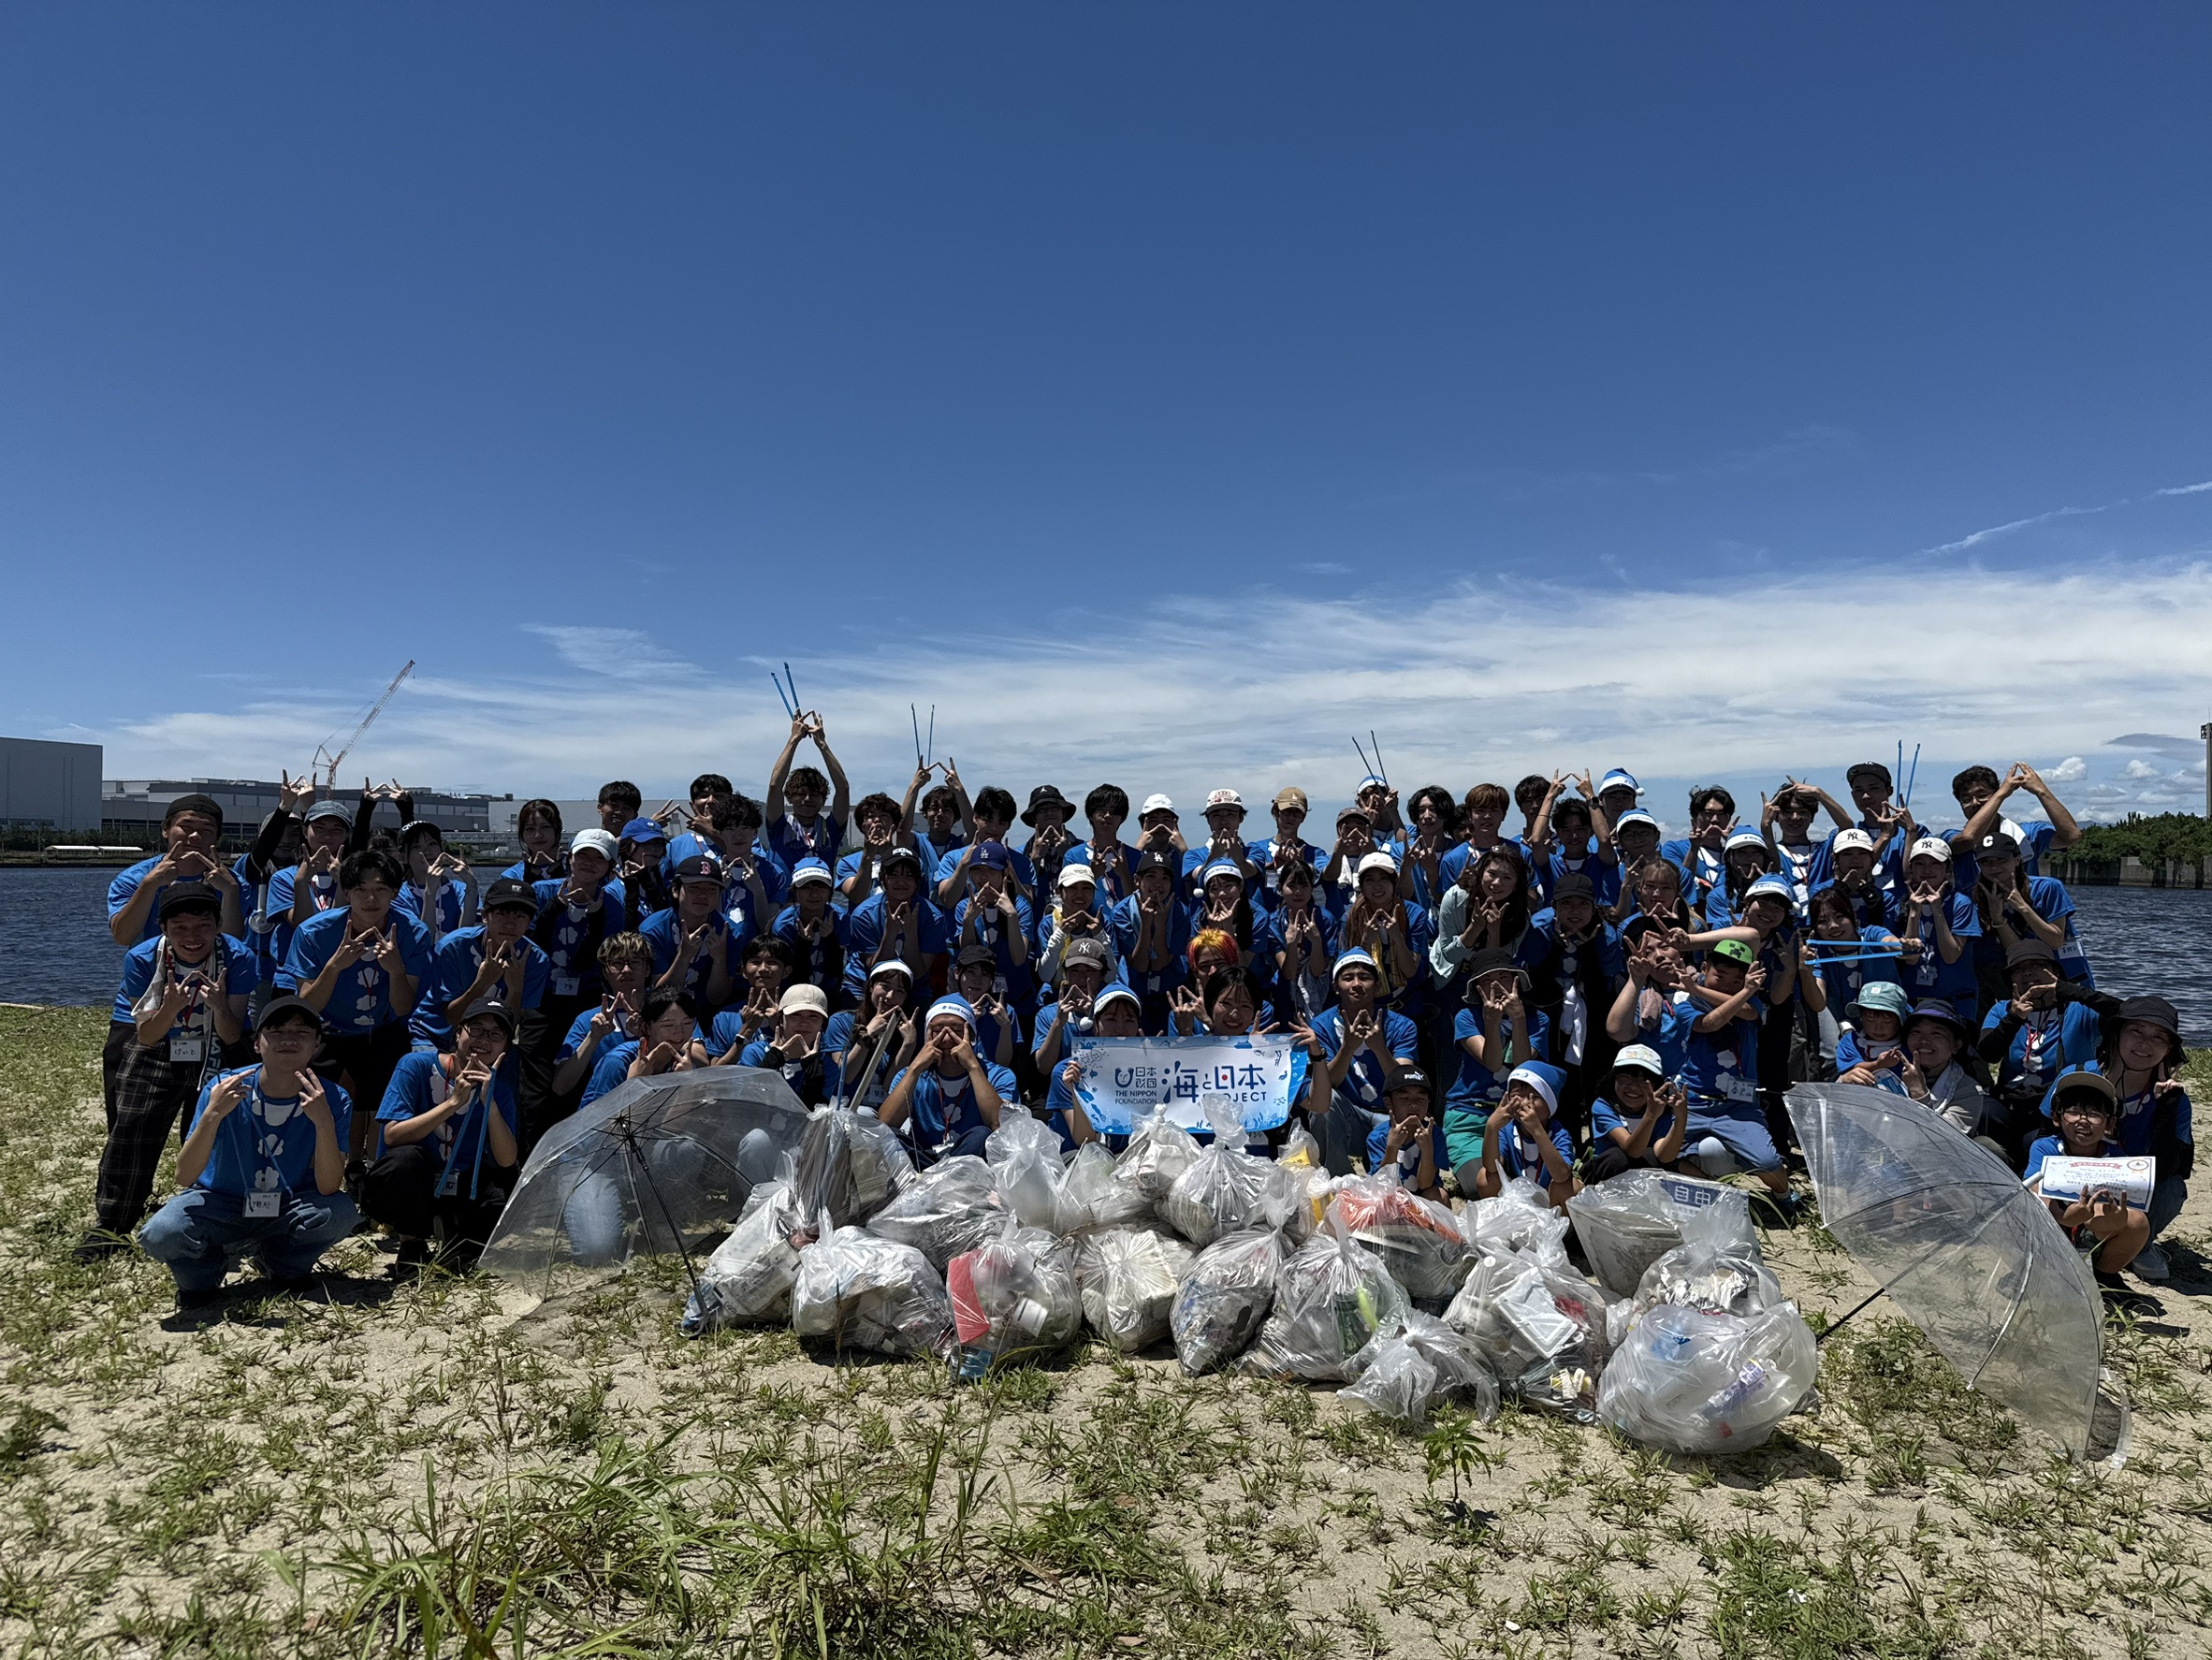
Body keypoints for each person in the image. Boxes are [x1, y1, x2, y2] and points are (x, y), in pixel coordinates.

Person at [138, 997, 358, 1311]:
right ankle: (205, 1272)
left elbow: (327, 1187)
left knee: (341, 1212)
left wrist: (323, 1122)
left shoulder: (332, 1097)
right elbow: (184, 1176)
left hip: (286, 1203)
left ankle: (280, 1264)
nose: (289, 1039)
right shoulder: (223, 1087)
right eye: (277, 1031)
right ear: (258, 1044)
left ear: (316, 1045)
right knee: (161, 1232)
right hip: (222, 1202)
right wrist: (213, 1115)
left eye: (301, 1032)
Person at [77, 881, 258, 1260]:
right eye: (180, 928)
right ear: (164, 929)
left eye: (203, 926)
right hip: (160, 1045)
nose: (192, 937)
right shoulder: (143, 959)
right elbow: (145, 1035)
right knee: (133, 1129)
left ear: (218, 924)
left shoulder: (238, 957)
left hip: (219, 1049)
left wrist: (221, 1005)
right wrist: (171, 1008)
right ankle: (112, 1224)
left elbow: (231, 1032)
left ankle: (215, 1216)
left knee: (221, 1131)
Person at [276, 847, 435, 1184]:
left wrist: (395, 970)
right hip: (330, 1030)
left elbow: (404, 1007)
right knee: (330, 1106)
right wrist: (335, 966)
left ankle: (376, 1177)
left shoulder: (413, 932)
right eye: (361, 889)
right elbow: (307, 1005)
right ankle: (333, 1173)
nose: (371, 899)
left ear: (395, 891)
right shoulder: (315, 932)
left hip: (384, 1028)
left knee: (383, 1106)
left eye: (381, 889)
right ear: (346, 891)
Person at [366, 999, 522, 1268]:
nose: (484, 1040)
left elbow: (507, 1160)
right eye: (476, 1029)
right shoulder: (415, 1066)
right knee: (404, 1161)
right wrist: (451, 1105)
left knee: (499, 1203)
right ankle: (411, 1241)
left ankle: (450, 1231)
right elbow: (392, 1135)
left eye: (496, 1034)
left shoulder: (502, 1091)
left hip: (462, 1183)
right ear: (458, 1032)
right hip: (416, 1179)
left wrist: (490, 1106)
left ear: (504, 1048)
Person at [1673, 939, 1799, 1216]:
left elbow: (1747, 1011)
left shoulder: (1751, 1000)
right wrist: (1698, 990)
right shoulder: (1684, 999)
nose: (1728, 984)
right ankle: (1716, 1192)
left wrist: (1742, 992)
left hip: (1737, 1105)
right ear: (1705, 968)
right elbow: (1709, 1024)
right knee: (1665, 1155)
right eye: (1720, 975)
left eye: (1737, 980)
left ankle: (1785, 1195)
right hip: (1692, 1101)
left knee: (1767, 1160)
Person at [517, 828, 627, 1144]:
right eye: (583, 856)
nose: (589, 863)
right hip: (541, 1000)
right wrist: (555, 908)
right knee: (535, 1082)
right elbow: (529, 945)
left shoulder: (612, 906)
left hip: (583, 1001)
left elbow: (594, 961)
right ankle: (529, 1152)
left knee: (574, 1077)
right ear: (569, 859)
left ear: (609, 868)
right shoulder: (541, 892)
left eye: (599, 859)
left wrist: (594, 919)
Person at [1513, 871, 1623, 1131]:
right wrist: (1557, 946)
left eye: (1583, 904)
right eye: (1567, 904)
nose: (1575, 911)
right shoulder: (1540, 928)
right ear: (1554, 906)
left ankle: (1599, 1132)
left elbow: (1606, 981)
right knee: (1558, 1070)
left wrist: (1589, 947)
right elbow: (1534, 977)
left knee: (1595, 1070)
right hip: (1550, 1007)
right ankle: (1563, 1130)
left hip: (1592, 1006)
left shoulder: (1606, 934)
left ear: (1593, 906)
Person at [1978, 939, 2113, 1147]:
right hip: (2013, 1099)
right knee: (1987, 1114)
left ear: (2055, 972)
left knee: (2032, 1141)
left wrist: (2072, 991)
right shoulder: (2002, 1010)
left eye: (2036, 965)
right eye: (2019, 969)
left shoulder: (2079, 1010)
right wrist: (2013, 1019)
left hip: (2059, 1102)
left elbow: (2127, 1014)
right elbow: (1988, 1053)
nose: (2028, 973)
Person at [2025, 1069, 2150, 1285]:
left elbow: (2124, 1206)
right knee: (2027, 1206)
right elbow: (2034, 1191)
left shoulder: (2117, 1160)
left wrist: (2115, 1219)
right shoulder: (2045, 1148)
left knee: (2137, 1222)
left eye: (2094, 1114)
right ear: (2056, 1117)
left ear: (2109, 1124)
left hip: (2094, 1228)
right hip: (2050, 1226)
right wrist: (2064, 1216)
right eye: (2073, 1112)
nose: (2083, 1121)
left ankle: (2105, 1275)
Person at [2099, 996, 2191, 1282]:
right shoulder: (2079, 1078)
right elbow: (2047, 1142)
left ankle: (2141, 1243)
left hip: (2140, 1188)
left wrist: (2165, 1108)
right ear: (2117, 1034)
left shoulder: (2177, 1101)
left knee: (2173, 1188)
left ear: (2169, 1050)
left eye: (2158, 1037)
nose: (2145, 1044)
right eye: (2136, 1031)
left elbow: (2170, 1168)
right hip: (2085, 1183)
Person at [1304, 950, 1419, 1175]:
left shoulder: (1402, 1025)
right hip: (1350, 1116)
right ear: (1336, 987)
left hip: (1390, 1116)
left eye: (1364, 978)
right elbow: (1328, 1084)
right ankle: (1338, 1181)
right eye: (1348, 978)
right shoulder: (1321, 1026)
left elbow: (1405, 1083)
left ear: (1377, 986)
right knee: (1323, 1102)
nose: (1357, 984)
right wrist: (1347, 1048)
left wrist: (1378, 1047)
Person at [1441, 948, 1550, 1180]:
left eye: (1504, 977)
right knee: (1480, 1182)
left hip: (1519, 1117)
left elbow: (1523, 1069)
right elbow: (1492, 1062)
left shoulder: (1538, 1020)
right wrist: (1492, 1022)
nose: (1496, 986)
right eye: (1487, 980)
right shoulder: (1467, 1017)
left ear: (1516, 982)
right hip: (1470, 1116)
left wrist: (1518, 1018)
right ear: (1477, 988)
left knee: (1535, 1178)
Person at [1840, 1001, 2001, 1153]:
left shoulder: (1967, 1091)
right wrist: (1845, 1084)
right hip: (1880, 1158)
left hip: (1940, 1168)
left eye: (1936, 1033)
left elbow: (1940, 1143)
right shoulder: (1887, 1071)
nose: (1924, 1041)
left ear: (1956, 1045)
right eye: (1916, 1032)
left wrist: (1918, 1092)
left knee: (1986, 1145)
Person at [411, 877, 549, 1051]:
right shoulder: (453, 947)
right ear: (484, 916)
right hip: (436, 1033)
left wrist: (516, 989)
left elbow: (510, 1025)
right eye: (502, 914)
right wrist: (483, 983)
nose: (510, 924)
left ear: (530, 922)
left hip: (488, 1040)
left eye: (520, 916)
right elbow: (452, 1017)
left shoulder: (536, 959)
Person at [878, 997, 1013, 1165]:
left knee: (981, 1135)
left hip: (969, 1164)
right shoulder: (909, 1075)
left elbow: (999, 1125)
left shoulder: (998, 1075)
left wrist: (973, 1067)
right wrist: (915, 1068)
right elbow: (885, 1123)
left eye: (956, 1030)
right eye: (937, 1030)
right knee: (889, 1137)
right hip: (924, 1160)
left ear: (971, 1035)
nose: (947, 1038)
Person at [108, 792, 241, 946]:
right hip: (151, 968)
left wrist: (230, 891)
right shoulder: (133, 879)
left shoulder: (232, 883)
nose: (195, 835)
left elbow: (233, 946)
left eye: (206, 830)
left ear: (217, 838)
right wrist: (149, 885)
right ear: (166, 829)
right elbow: (123, 938)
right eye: (186, 827)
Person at [844, 846, 950, 1007]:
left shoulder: (933, 917)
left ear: (918, 881)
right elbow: (876, 969)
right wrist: (890, 933)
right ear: (882, 879)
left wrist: (910, 935)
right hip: (865, 984)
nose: (901, 882)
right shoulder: (863, 914)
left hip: (913, 987)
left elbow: (919, 971)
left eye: (909, 876)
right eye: (893, 876)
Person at [552, 932, 655, 1098]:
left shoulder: (667, 1009)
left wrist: (648, 1032)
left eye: (635, 962)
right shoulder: (588, 1020)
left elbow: (700, 1061)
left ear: (648, 969)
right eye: (617, 963)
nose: (626, 970)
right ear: (606, 972)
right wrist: (593, 1037)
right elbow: (560, 1086)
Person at [1470, 1061, 1579, 1206]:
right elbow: (1491, 1167)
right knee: (1485, 1177)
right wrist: (1492, 1127)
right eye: (1517, 1096)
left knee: (1571, 1186)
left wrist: (1536, 1130)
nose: (1525, 1103)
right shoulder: (1507, 1129)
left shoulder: (1559, 1134)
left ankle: (1564, 1227)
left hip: (1550, 1200)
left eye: (1534, 1097)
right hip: (1516, 1200)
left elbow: (1561, 1175)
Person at [641, 855, 740, 1012]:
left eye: (711, 889)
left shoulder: (731, 932)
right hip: (664, 1014)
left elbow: (717, 998)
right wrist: (684, 956)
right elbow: (659, 997)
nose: (703, 895)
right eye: (694, 887)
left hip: (709, 1013)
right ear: (675, 890)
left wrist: (720, 959)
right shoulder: (653, 930)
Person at [1896, 837, 1980, 1022]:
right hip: (1914, 1001)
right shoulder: (1902, 904)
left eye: (1935, 863)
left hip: (1955, 1003)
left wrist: (1937, 911)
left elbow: (1951, 955)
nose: (1927, 870)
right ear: (1911, 869)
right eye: (1920, 864)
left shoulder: (1961, 903)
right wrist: (1914, 914)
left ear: (1948, 869)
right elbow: (1910, 958)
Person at [949, 843, 1036, 1015]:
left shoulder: (1020, 906)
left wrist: (1011, 917)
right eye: (977, 870)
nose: (983, 876)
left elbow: (1019, 958)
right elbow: (967, 955)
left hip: (1017, 997)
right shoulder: (964, 907)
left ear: (1005, 874)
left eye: (991, 871)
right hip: (979, 999)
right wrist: (968, 921)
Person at [1955, 763, 2082, 879]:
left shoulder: (2026, 835)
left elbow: (2071, 836)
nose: (1975, 803)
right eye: (1966, 800)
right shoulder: (1952, 838)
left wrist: (2041, 791)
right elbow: (1968, 839)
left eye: (1982, 796)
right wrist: (2001, 794)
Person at [1111, 850, 1191, 1033]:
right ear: (1137, 880)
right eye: (1151, 876)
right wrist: (1146, 926)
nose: (1157, 883)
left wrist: (1160, 925)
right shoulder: (1122, 911)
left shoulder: (1180, 912)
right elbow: (1139, 964)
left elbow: (1160, 963)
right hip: (1133, 990)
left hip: (1170, 990)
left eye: (1165, 878)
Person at [581, 989, 704, 1108]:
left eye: (687, 1023)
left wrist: (687, 1082)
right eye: (668, 1025)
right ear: (646, 1027)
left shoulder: (683, 1064)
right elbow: (599, 1118)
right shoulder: (618, 1061)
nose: (679, 1032)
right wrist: (634, 1084)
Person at [1584, 1045, 1689, 1183]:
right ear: (1613, 1078)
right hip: (1609, 1174)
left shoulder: (1661, 1109)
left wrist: (1680, 1119)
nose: (1633, 1087)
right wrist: (1651, 1115)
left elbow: (1665, 1155)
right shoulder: (1603, 1106)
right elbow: (1632, 1150)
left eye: (1643, 1081)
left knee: (1672, 1164)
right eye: (1626, 1077)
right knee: (1617, 1157)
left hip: (1645, 1179)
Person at [764, 711, 851, 868]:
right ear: (789, 797)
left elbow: (843, 790)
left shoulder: (831, 830)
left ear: (824, 800)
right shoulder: (779, 827)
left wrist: (822, 744)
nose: (807, 798)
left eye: (815, 794)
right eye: (801, 793)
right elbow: (775, 786)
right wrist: (793, 739)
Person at [1251, 857, 1335, 1021]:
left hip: (1321, 997)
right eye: (1291, 885)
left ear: (1312, 888)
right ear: (1280, 889)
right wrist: (1291, 944)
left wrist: (1316, 941)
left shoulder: (1325, 920)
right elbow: (1288, 972)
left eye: (1304, 885)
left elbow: (1318, 971)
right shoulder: (1273, 923)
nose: (1298, 892)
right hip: (1284, 997)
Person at [837, 960, 924, 1113]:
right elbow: (846, 1076)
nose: (890, 996)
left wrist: (908, 1045)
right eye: (885, 986)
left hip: (879, 1113)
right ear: (871, 986)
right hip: (844, 1109)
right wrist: (867, 1035)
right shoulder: (842, 1021)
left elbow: (890, 1086)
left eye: (899, 991)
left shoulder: (905, 1031)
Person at [738, 984, 844, 1106]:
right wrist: (766, 1069)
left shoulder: (827, 1067)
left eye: (813, 1016)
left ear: (822, 1024)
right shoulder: (755, 1053)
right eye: (796, 1014)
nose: (804, 1022)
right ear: (780, 1018)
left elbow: (816, 1117)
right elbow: (744, 1104)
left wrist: (814, 1083)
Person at [773, 858, 851, 1006]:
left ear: (829, 891)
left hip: (828, 990)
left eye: (821, 887)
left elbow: (836, 971)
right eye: (806, 887)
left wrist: (831, 940)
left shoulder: (840, 918)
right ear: (796, 892)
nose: (814, 894)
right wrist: (803, 943)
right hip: (792, 992)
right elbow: (788, 975)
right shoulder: (784, 926)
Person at [392, 819, 479, 951]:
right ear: (403, 856)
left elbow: (464, 939)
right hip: (419, 969)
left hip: (453, 965)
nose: (427, 851)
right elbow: (422, 942)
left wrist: (472, 885)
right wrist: (430, 893)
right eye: (417, 846)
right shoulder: (398, 895)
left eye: (432, 844)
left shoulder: (460, 889)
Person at [1368, 1067, 1447, 1199]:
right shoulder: (1377, 1137)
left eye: (1420, 1099)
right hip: (1391, 1196)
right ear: (1389, 1103)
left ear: (1428, 1102)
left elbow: (1425, 1184)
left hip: (1421, 1197)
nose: (1414, 1105)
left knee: (1440, 1196)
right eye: (1404, 1098)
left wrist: (1427, 1149)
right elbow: (1382, 1183)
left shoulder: (1434, 1134)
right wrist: (1392, 1147)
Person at [1660, 786, 1737, 914]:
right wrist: (1694, 848)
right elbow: (1678, 885)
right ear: (1694, 817)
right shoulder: (1674, 849)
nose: (1715, 820)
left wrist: (1733, 844)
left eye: (1721, 815)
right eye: (1708, 814)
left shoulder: (1737, 854)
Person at [1249, 786, 1323, 913]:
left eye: (1297, 813)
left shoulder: (1315, 853)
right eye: (1287, 812)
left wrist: (1300, 868)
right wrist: (1273, 868)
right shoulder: (1256, 848)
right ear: (1275, 813)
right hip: (1263, 919)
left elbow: (1326, 875)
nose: (1291, 817)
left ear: (1303, 818)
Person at [1065, 783, 1137, 904]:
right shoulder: (1073, 856)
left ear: (1122, 818)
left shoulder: (1136, 857)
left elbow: (1138, 905)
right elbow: (1070, 902)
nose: (1108, 816)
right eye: (1102, 811)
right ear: (1091, 815)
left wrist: (1125, 875)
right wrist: (1091, 875)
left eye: (1114, 812)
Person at [1180, 788, 1259, 897]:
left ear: (1241, 817)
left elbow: (1248, 872)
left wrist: (1239, 858)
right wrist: (1213, 857)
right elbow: (1200, 877)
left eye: (1230, 814)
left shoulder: (1254, 851)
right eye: (1216, 815)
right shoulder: (1193, 855)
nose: (1223, 820)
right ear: (1208, 820)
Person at [1832, 981, 1911, 1076]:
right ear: (1861, 1018)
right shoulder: (1851, 1041)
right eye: (1870, 1020)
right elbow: (1851, 1069)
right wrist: (1878, 1065)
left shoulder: (1909, 1042)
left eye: (1887, 1021)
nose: (1878, 1028)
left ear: (1899, 1020)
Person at [503, 798, 568, 887]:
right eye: (530, 829)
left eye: (545, 827)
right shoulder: (511, 877)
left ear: (557, 829)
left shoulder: (577, 869)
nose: (538, 835)